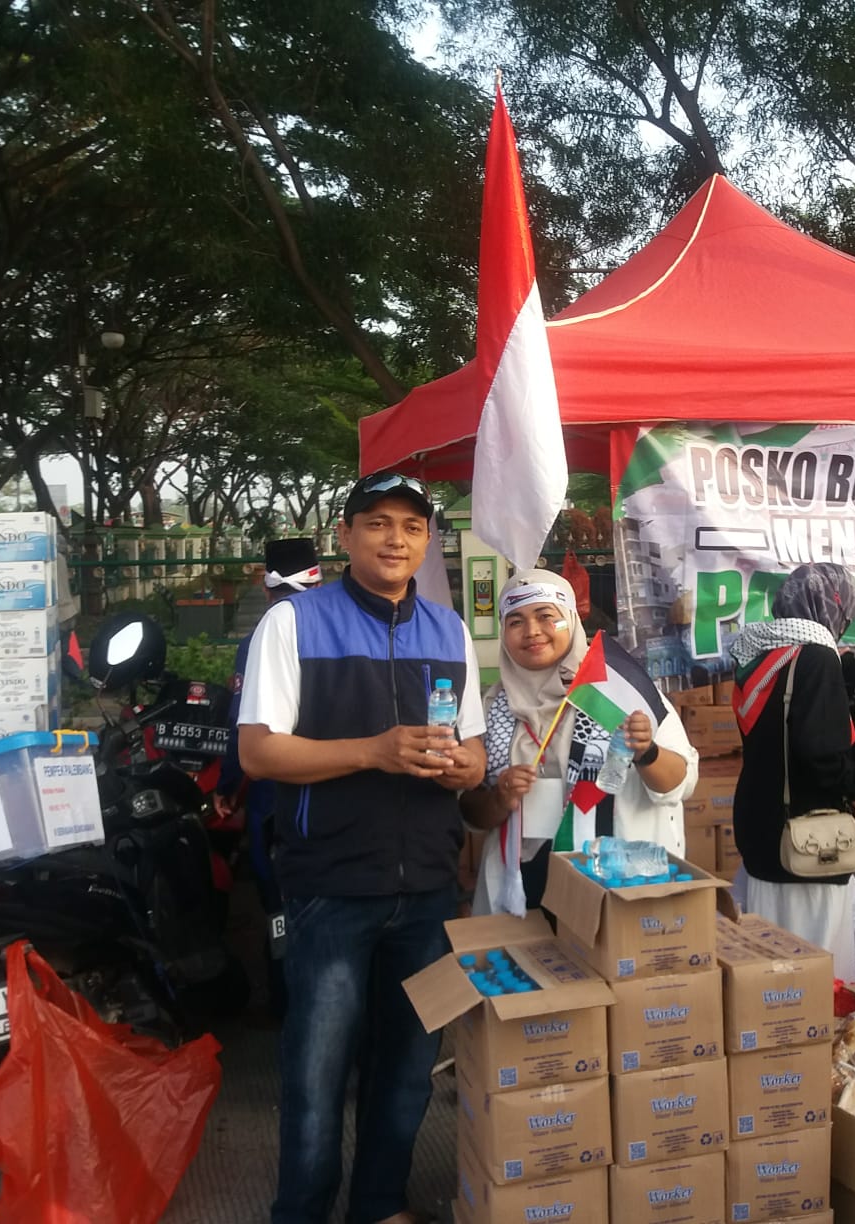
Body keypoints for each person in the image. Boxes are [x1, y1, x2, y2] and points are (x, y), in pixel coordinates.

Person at [237, 470, 486, 1224]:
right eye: (377, 523)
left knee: (408, 1066)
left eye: (411, 527)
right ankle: (301, 1211)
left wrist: (464, 767)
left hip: (428, 888)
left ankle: (378, 1204)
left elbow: (474, 750)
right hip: (332, 884)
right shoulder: (294, 623)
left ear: (427, 541)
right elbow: (258, 752)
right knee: (318, 1069)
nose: (395, 539)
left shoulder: (449, 630)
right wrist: (374, 751)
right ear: (345, 536)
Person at [461, 569, 696, 914]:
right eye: (515, 622)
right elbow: (470, 811)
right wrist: (499, 798)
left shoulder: (621, 693)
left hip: (617, 884)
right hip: (521, 890)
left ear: (571, 620)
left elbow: (680, 785)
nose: (532, 631)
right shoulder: (490, 706)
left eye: (546, 616)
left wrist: (647, 752)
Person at [730, 561, 855, 980]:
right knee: (816, 969)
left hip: (762, 829)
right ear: (830, 607)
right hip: (808, 840)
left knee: (771, 959)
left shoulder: (760, 654)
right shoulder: (817, 656)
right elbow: (819, 750)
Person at [212, 537, 323, 1016]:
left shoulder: (258, 641)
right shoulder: (348, 633)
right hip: (342, 796)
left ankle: (282, 998)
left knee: (278, 903)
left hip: (276, 799)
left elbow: (245, 728)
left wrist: (226, 790)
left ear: (265, 585)